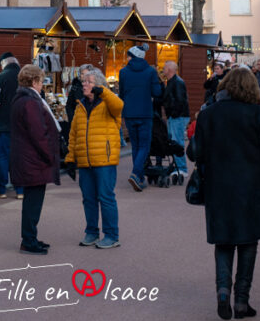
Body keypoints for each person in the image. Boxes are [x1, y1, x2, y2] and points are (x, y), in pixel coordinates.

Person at [190, 66, 260, 320]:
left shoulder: (209, 114)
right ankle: (242, 300)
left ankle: (223, 292)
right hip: (251, 187)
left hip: (218, 187)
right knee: (248, 242)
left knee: (223, 241)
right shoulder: (257, 114)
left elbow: (194, 152)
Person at [65, 68, 123, 249]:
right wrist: (70, 158)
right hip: (85, 160)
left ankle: (111, 235)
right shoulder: (80, 106)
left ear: (98, 85)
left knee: (105, 197)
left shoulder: (108, 103)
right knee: (88, 198)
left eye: (89, 82)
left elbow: (119, 105)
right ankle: (91, 232)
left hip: (104, 159)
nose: (84, 84)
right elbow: (74, 134)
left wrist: (103, 91)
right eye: (84, 81)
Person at [9, 64, 61, 255]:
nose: (42, 85)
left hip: (27, 158)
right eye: (40, 81)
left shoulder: (21, 99)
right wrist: (50, 155)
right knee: (33, 202)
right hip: (33, 159)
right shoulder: (30, 102)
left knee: (32, 201)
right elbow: (38, 133)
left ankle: (30, 237)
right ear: (34, 81)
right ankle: (29, 240)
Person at [119, 44, 162, 192]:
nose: (127, 58)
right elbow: (157, 92)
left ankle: (140, 177)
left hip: (129, 113)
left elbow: (121, 93)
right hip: (145, 113)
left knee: (136, 146)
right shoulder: (150, 71)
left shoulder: (123, 72)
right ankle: (136, 173)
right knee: (144, 145)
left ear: (133, 56)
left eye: (129, 55)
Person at [0, 52, 23, 199]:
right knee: (19, 157)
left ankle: (1, 190)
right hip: (23, 125)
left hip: (4, 124)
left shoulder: (0, 78)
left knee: (3, 157)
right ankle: (20, 190)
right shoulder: (24, 77)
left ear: (4, 63)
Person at [160, 61, 190, 178]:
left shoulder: (177, 82)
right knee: (175, 141)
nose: (163, 69)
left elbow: (180, 101)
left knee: (177, 141)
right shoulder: (174, 81)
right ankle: (178, 166)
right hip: (175, 116)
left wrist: (173, 114)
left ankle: (181, 168)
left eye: (164, 68)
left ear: (169, 70)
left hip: (177, 116)